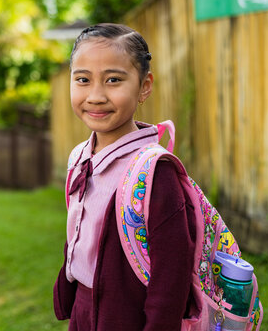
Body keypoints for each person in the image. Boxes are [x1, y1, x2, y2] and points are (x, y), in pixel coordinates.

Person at [53, 23, 198, 330]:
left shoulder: (154, 171)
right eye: (82, 80)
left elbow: (172, 273)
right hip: (83, 308)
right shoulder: (79, 156)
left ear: (145, 86)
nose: (95, 96)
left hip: (128, 315)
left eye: (113, 80)